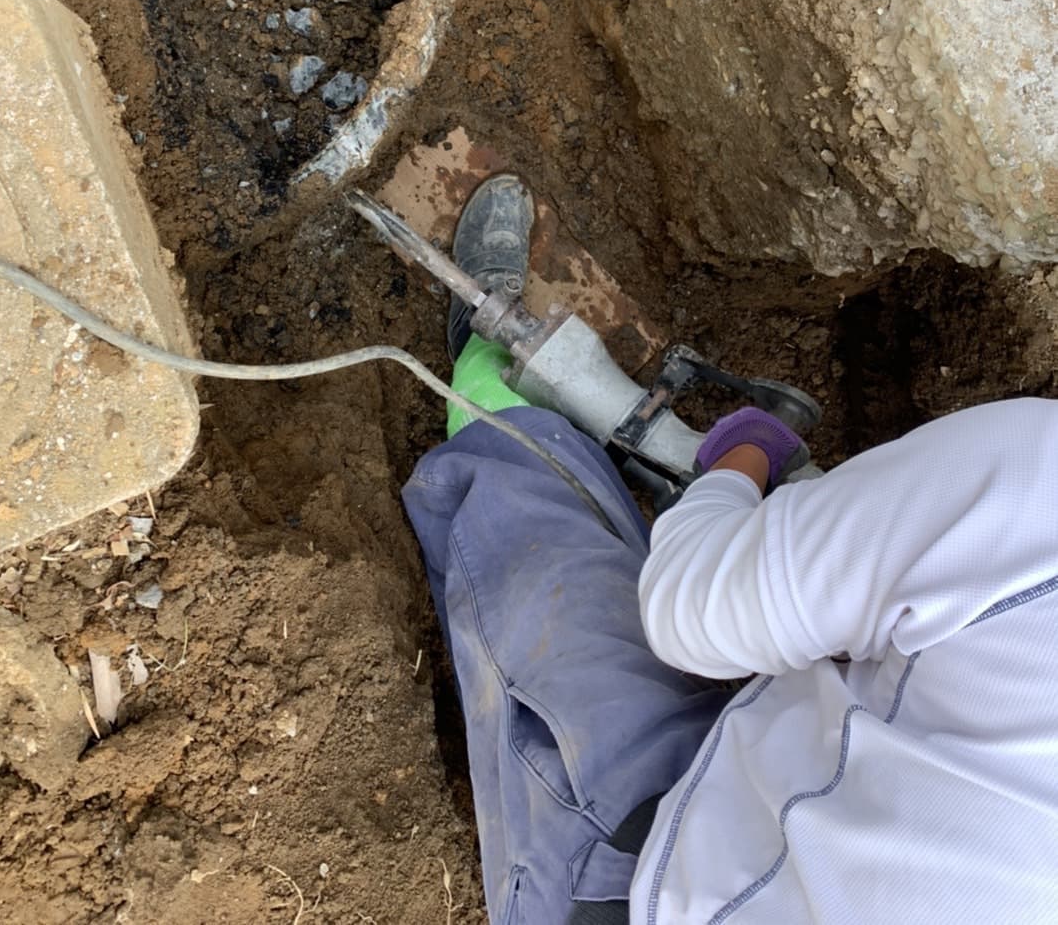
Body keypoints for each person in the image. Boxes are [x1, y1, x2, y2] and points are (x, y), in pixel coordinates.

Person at [402, 174, 1058, 924]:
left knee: (532, 526)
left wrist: (739, 460)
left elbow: (687, 611)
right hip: (814, 796)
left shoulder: (1033, 485)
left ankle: (482, 371)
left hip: (656, 887)